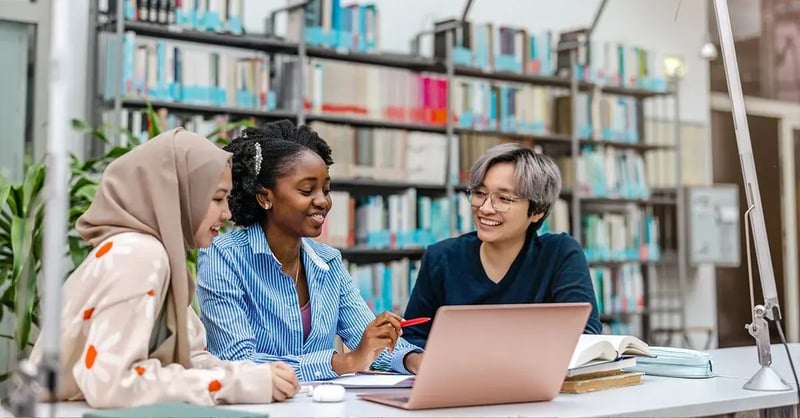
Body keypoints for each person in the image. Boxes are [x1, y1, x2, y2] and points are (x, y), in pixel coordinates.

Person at [28, 128, 300, 409]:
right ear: (178, 194)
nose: (227, 213)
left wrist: (251, 376)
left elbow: (188, 361)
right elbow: (112, 384)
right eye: (217, 198)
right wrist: (237, 384)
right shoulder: (139, 255)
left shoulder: (158, 257)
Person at [196, 120, 423, 382]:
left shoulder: (329, 261)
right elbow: (236, 359)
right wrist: (343, 361)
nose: (322, 201)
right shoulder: (223, 256)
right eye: (307, 190)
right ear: (265, 197)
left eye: (326, 190)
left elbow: (366, 342)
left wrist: (414, 360)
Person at [402, 142, 602, 349]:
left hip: (537, 378)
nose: (485, 209)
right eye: (480, 194)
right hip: (459, 379)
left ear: (537, 211)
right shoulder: (441, 257)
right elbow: (413, 336)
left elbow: (584, 334)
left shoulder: (560, 253)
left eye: (504, 198)